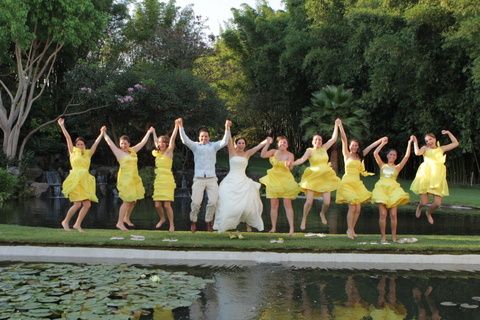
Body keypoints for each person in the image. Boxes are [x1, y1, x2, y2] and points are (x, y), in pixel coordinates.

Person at [177, 118, 231, 232]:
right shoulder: (196, 146)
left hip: (212, 179)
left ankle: (208, 222)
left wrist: (227, 128)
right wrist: (181, 126)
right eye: (202, 136)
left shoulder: (213, 146)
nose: (204, 138)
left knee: (213, 201)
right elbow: (185, 140)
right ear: (199, 137)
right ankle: (193, 221)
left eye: (206, 136)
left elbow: (225, 142)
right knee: (196, 202)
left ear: (209, 137)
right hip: (198, 179)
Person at [336, 122, 383, 239]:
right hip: (347, 182)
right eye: (353, 145)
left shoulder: (360, 156)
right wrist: (340, 125)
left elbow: (371, 147)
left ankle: (352, 229)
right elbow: (344, 139)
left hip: (357, 183)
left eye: (356, 146)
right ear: (350, 146)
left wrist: (381, 140)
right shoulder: (346, 154)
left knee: (358, 209)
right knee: (352, 206)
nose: (354, 147)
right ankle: (349, 230)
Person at [102, 126, 154, 231]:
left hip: (134, 178)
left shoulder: (132, 151)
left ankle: (126, 218)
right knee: (127, 201)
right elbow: (109, 142)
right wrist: (104, 133)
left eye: (125, 143)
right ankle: (119, 223)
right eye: (122, 143)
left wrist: (149, 132)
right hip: (125, 180)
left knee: (133, 201)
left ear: (129, 144)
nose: (123, 145)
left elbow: (142, 143)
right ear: (120, 145)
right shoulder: (118, 152)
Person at [293, 119, 341, 230]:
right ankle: (304, 218)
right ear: (313, 141)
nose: (318, 141)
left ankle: (322, 213)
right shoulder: (309, 150)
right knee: (309, 202)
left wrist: (336, 125)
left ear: (321, 141)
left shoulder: (324, 148)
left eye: (319, 140)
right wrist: (293, 163)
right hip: (313, 177)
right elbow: (302, 159)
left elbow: (333, 139)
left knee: (327, 202)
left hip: (325, 177)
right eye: (316, 139)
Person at [213, 135, 268, 233]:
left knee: (248, 205)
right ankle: (225, 224)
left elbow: (257, 147)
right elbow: (229, 140)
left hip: (243, 180)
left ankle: (248, 225)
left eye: (243, 143)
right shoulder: (232, 152)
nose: (241, 145)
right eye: (239, 143)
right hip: (230, 180)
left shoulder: (247, 153)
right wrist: (227, 127)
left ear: (245, 145)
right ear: (235, 144)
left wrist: (266, 140)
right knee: (229, 204)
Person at [58, 118, 103, 232]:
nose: (80, 145)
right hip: (75, 179)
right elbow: (68, 138)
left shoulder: (88, 153)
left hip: (85, 180)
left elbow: (95, 144)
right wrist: (62, 126)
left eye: (81, 144)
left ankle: (77, 224)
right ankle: (65, 221)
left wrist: (101, 134)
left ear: (84, 145)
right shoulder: (73, 152)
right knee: (77, 204)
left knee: (87, 204)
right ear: (75, 145)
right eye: (78, 144)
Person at [410, 130, 459, 224]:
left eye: (430, 139)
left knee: (437, 203)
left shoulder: (441, 149)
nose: (428, 142)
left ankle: (428, 212)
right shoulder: (425, 148)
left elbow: (456, 143)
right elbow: (417, 153)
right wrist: (415, 142)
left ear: (435, 139)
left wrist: (449, 133)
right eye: (427, 141)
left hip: (437, 179)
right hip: (425, 176)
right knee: (424, 202)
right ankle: (420, 207)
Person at [371, 137, 412, 243]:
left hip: (393, 190)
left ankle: (394, 237)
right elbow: (375, 153)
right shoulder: (382, 165)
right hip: (381, 189)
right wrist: (382, 143)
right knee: (383, 214)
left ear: (396, 157)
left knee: (393, 215)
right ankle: (383, 237)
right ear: (387, 155)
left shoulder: (397, 167)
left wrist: (409, 142)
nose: (392, 156)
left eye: (394, 155)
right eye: (390, 154)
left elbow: (407, 157)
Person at [260, 136, 299, 235]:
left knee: (287, 204)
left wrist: (289, 164)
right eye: (281, 142)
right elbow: (263, 155)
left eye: (284, 142)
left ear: (287, 145)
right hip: (274, 179)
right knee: (274, 205)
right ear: (278, 144)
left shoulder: (290, 154)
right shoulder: (273, 151)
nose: (282, 144)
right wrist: (267, 143)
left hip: (286, 180)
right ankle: (273, 228)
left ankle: (291, 229)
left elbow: (291, 168)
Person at [151, 121, 179, 232]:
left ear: (166, 144)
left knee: (167, 205)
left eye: (163, 142)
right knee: (157, 205)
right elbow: (155, 141)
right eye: (159, 142)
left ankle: (172, 224)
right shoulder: (157, 153)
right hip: (158, 180)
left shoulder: (169, 152)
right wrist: (153, 132)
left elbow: (172, 139)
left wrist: (176, 127)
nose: (161, 144)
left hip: (167, 180)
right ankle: (162, 218)